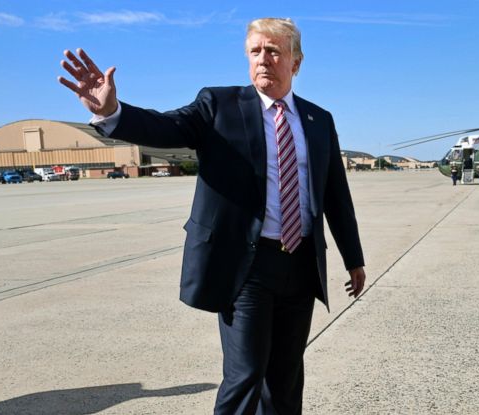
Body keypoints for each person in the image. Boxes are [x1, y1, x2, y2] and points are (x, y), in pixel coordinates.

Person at [58, 18, 367, 413]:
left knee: (286, 378)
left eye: (273, 51)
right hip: (247, 266)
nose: (263, 60)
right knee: (246, 374)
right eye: (255, 51)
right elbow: (167, 126)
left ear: (296, 62)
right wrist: (114, 112)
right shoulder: (219, 105)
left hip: (301, 264)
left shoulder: (317, 120)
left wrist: (353, 257)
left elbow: (335, 194)